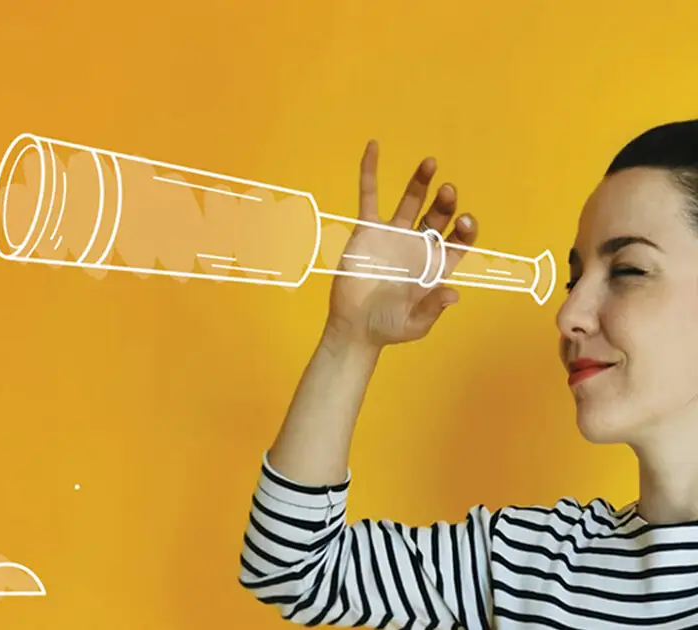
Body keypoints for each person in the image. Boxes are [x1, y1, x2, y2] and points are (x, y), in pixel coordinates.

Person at [238, 120, 698, 629]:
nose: (569, 315)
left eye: (628, 270)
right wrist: (350, 338)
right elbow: (295, 570)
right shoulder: (527, 566)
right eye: (574, 279)